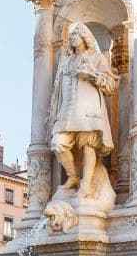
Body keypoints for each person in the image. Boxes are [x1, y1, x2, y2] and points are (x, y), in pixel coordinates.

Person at [49, 23, 116, 196]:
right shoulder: (66, 61)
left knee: (88, 145)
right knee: (58, 143)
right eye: (70, 35)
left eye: (75, 34)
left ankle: (86, 184)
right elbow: (58, 89)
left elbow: (111, 86)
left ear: (85, 36)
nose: (72, 38)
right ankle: (73, 176)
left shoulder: (97, 58)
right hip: (67, 111)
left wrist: (92, 76)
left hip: (89, 109)